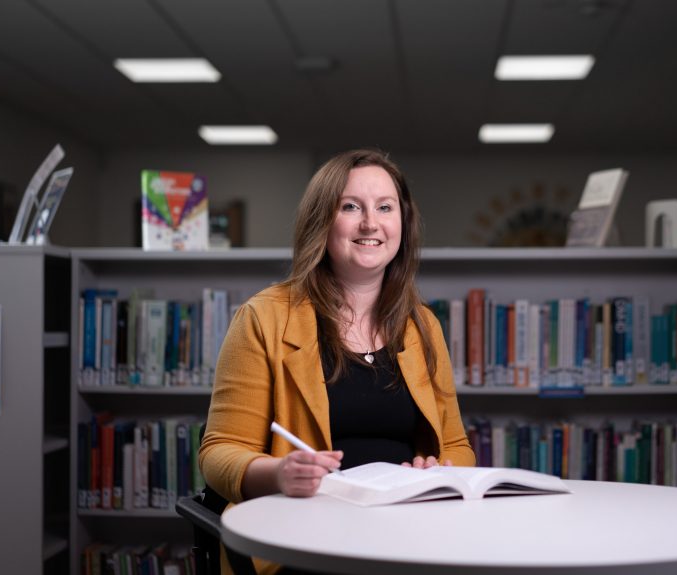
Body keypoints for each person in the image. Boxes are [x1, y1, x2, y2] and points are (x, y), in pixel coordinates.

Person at [199, 148, 476, 574]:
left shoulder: (423, 326)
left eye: (385, 207)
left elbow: (458, 446)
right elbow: (219, 453)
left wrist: (438, 469)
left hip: (407, 536)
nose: (370, 223)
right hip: (303, 541)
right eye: (350, 207)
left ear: (402, 222)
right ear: (322, 222)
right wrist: (279, 474)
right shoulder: (264, 317)